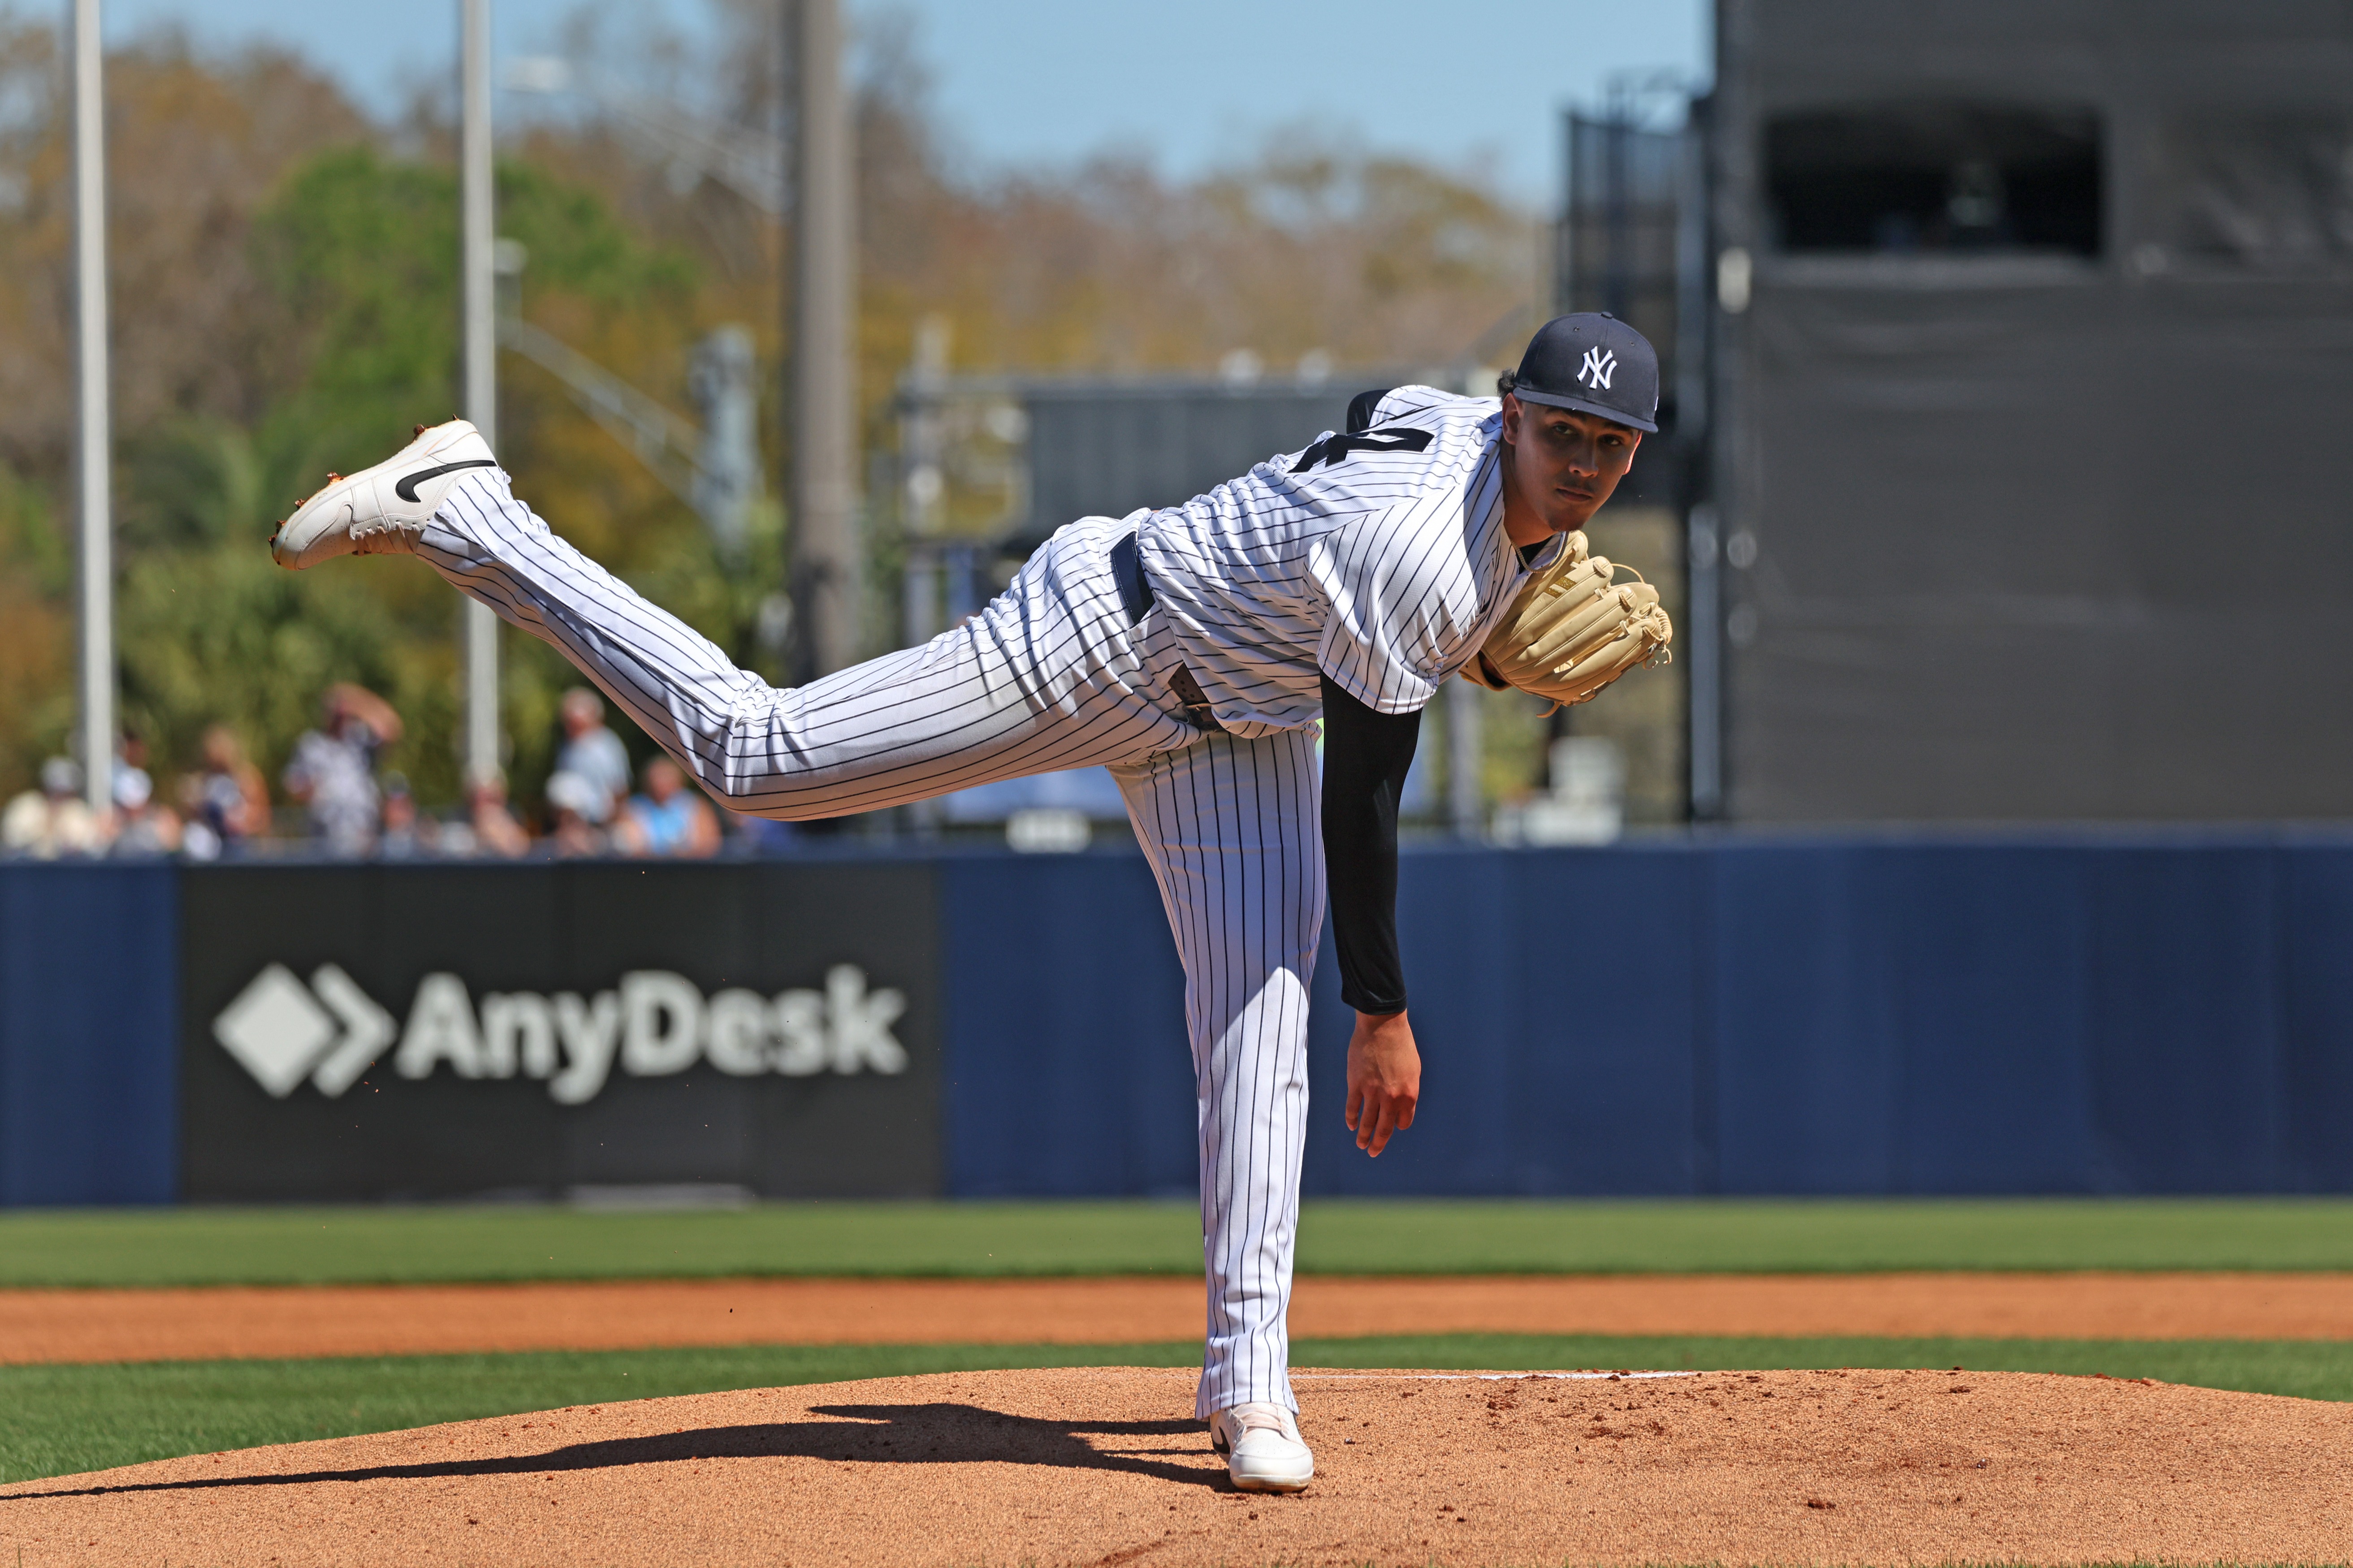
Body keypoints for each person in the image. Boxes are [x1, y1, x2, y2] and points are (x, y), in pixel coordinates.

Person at [268, 314, 1659, 1494]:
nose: (1584, 463)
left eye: (1610, 444)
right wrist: (1385, 1008)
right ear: (1511, 414)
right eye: (1562, 432)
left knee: (1256, 1014)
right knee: (758, 756)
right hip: (1103, 637)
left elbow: (1372, 415)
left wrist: (1468, 614)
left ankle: (1250, 1384)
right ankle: (472, 511)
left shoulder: (1449, 432)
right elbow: (1362, 803)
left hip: (1237, 713)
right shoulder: (1416, 552)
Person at [283, 683, 402, 857]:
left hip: (363, 838)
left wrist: (356, 701)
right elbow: (293, 786)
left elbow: (391, 728)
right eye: (335, 713)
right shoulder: (312, 745)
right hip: (325, 840)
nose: (339, 718)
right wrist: (310, 791)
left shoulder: (359, 740)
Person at [614, 756, 721, 858]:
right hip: (648, 867)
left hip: (688, 867)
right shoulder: (634, 808)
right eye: (658, 779)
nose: (661, 785)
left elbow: (709, 844)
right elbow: (627, 845)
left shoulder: (696, 806)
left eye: (666, 778)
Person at [554, 687, 632, 826]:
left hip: (603, 821)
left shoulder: (606, 745)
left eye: (576, 724)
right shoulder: (566, 747)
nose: (570, 728)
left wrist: (612, 821)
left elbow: (620, 788)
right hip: (575, 824)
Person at [186, 724, 272, 850]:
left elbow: (263, 817)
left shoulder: (247, 777)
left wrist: (240, 820)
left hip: (244, 844)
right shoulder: (204, 780)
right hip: (213, 845)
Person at [1, 757, 106, 858]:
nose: (59, 797)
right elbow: (11, 839)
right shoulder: (26, 806)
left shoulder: (78, 811)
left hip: (67, 868)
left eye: (65, 793)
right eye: (56, 791)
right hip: (28, 867)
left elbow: (92, 844)